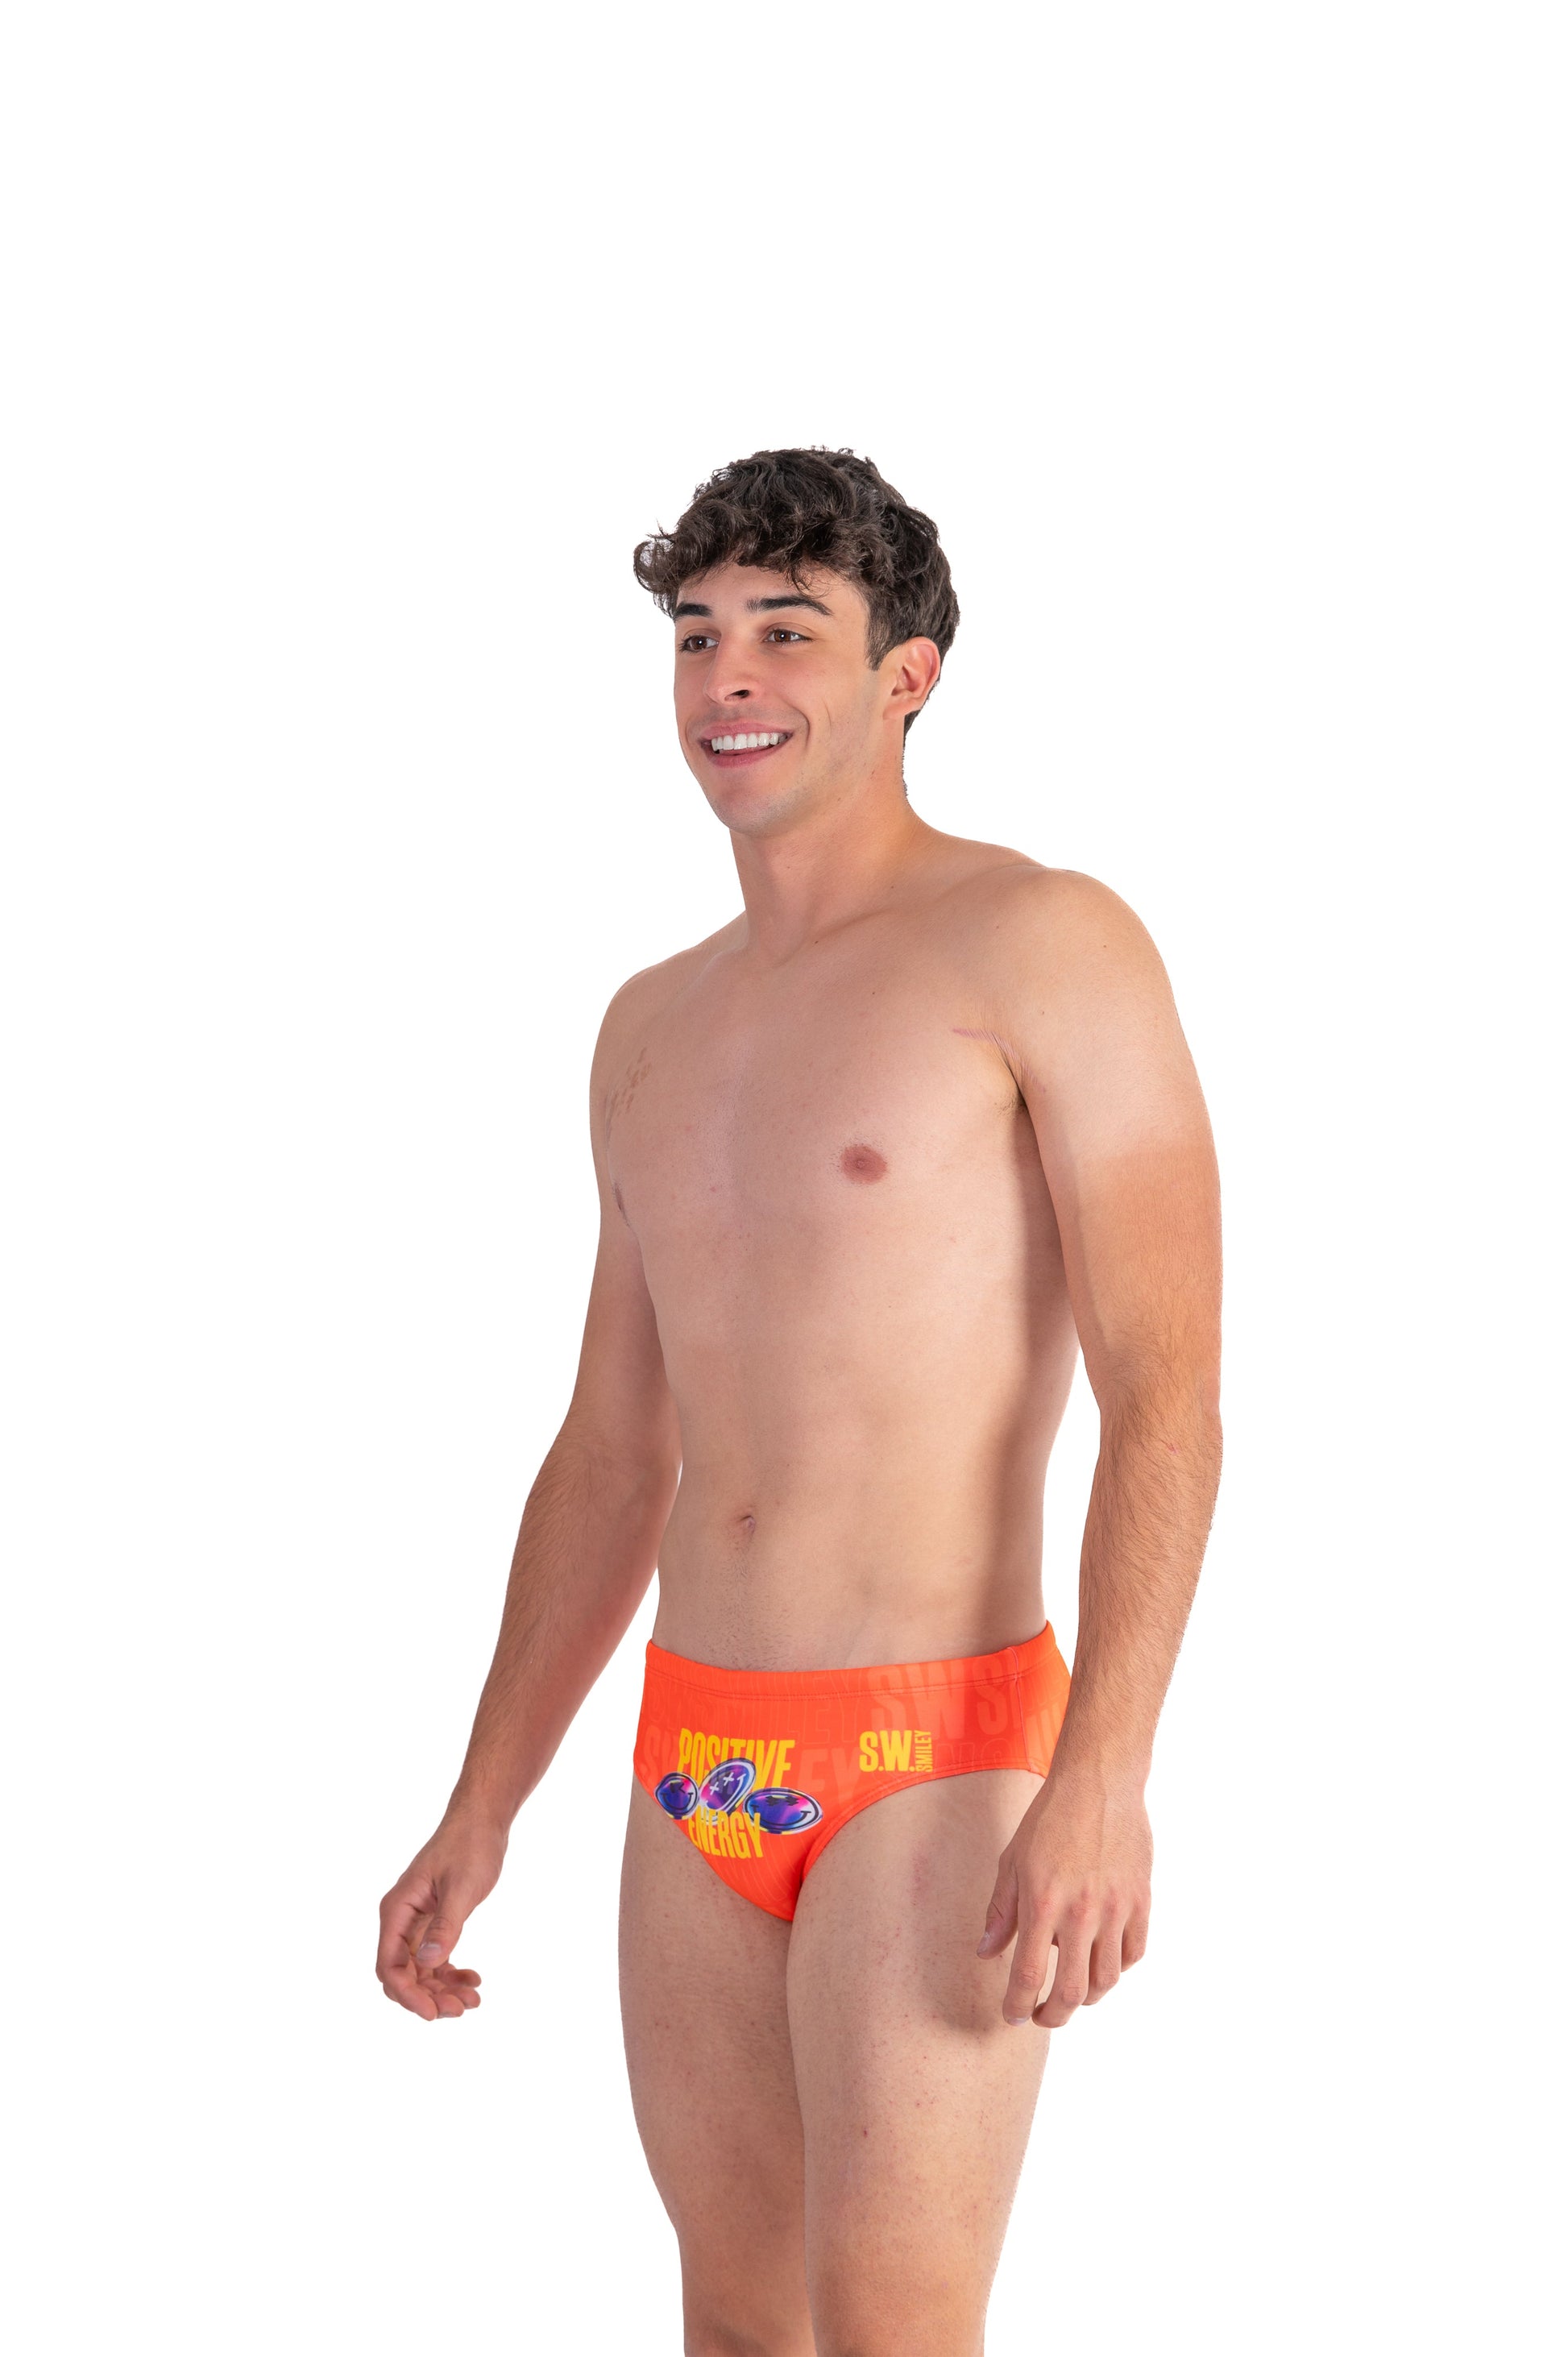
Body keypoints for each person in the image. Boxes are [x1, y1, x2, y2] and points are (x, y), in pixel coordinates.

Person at [376, 447, 1222, 2355]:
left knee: (893, 2324)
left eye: (785, 631)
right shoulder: (649, 1022)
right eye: (694, 635)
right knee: (737, 2326)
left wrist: (1105, 1771)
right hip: (698, 1750)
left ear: (906, 675)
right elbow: (612, 1451)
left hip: (941, 1747)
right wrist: (481, 1801)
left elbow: (1168, 1389)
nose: (726, 677)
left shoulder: (1041, 940)